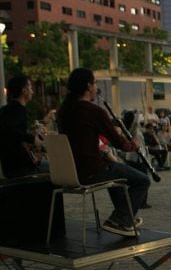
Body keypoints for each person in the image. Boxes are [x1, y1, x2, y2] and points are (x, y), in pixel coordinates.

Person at [56, 68, 150, 237]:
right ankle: (121, 219)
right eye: (95, 83)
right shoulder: (94, 111)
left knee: (116, 172)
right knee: (142, 180)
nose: (96, 87)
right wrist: (133, 144)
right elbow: (120, 144)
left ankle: (124, 217)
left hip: (71, 171)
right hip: (91, 170)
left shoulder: (63, 111)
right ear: (88, 86)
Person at [0, 75, 45, 178]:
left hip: (8, 164)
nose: (32, 92)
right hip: (20, 167)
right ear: (24, 91)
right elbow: (12, 130)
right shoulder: (18, 109)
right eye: (30, 88)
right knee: (56, 168)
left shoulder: (5, 110)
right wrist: (33, 139)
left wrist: (28, 135)